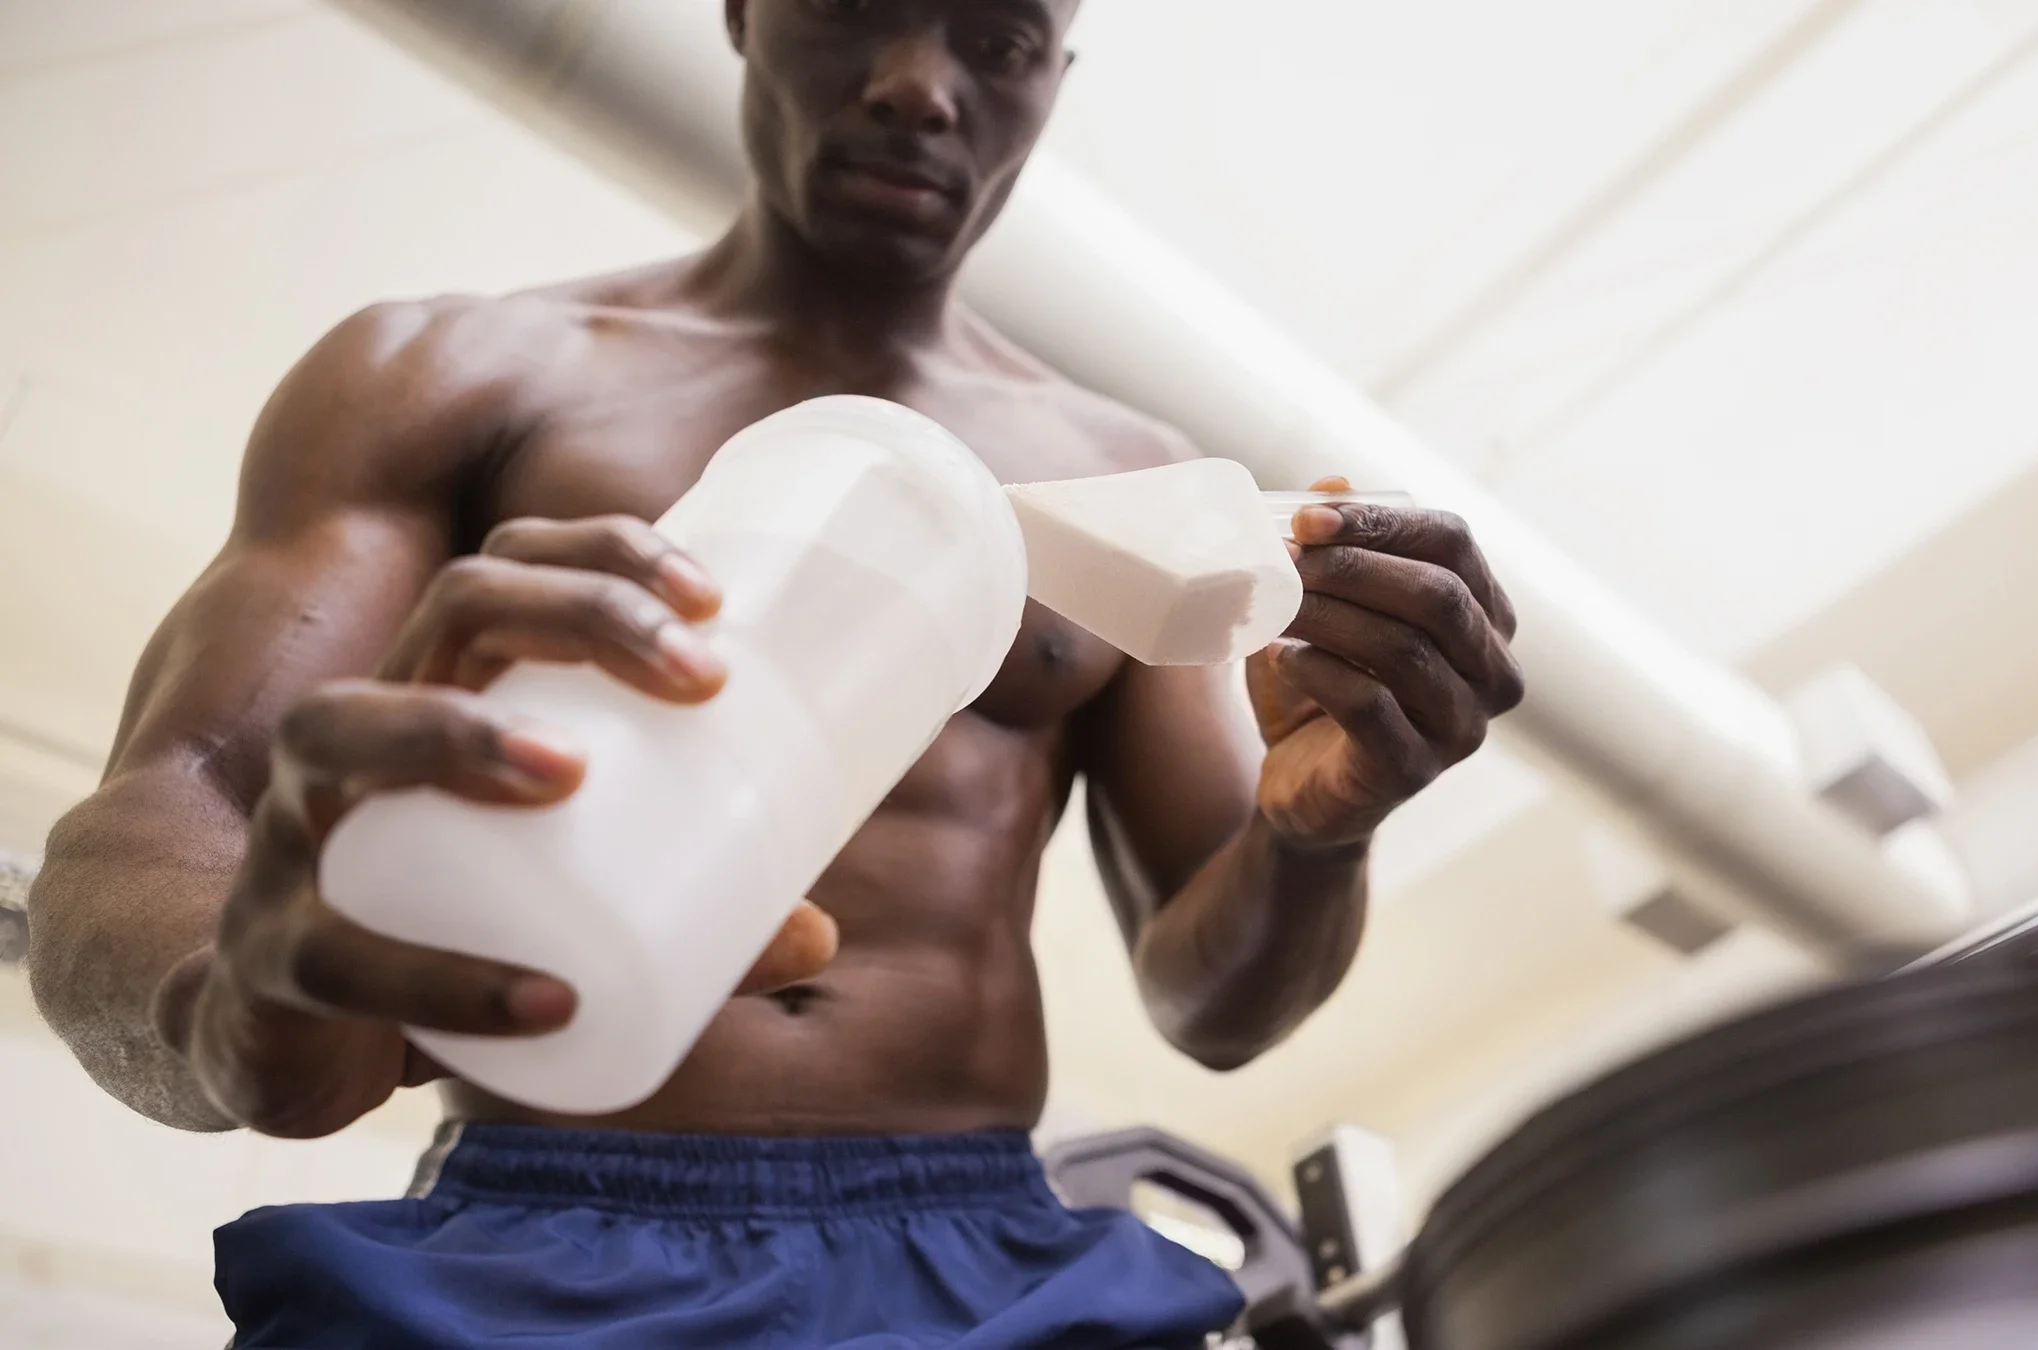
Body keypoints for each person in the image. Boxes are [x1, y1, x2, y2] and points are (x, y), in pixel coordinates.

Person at [24, 0, 1523, 1345]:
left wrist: (1318, 833)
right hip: (536, 1245)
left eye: (997, 40)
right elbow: (172, 802)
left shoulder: (1125, 473)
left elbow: (1218, 1001)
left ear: (1058, 73)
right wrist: (212, 1011)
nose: (917, 86)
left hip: (985, 1257)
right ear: (741, 9)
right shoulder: (453, 377)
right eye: (861, 3)